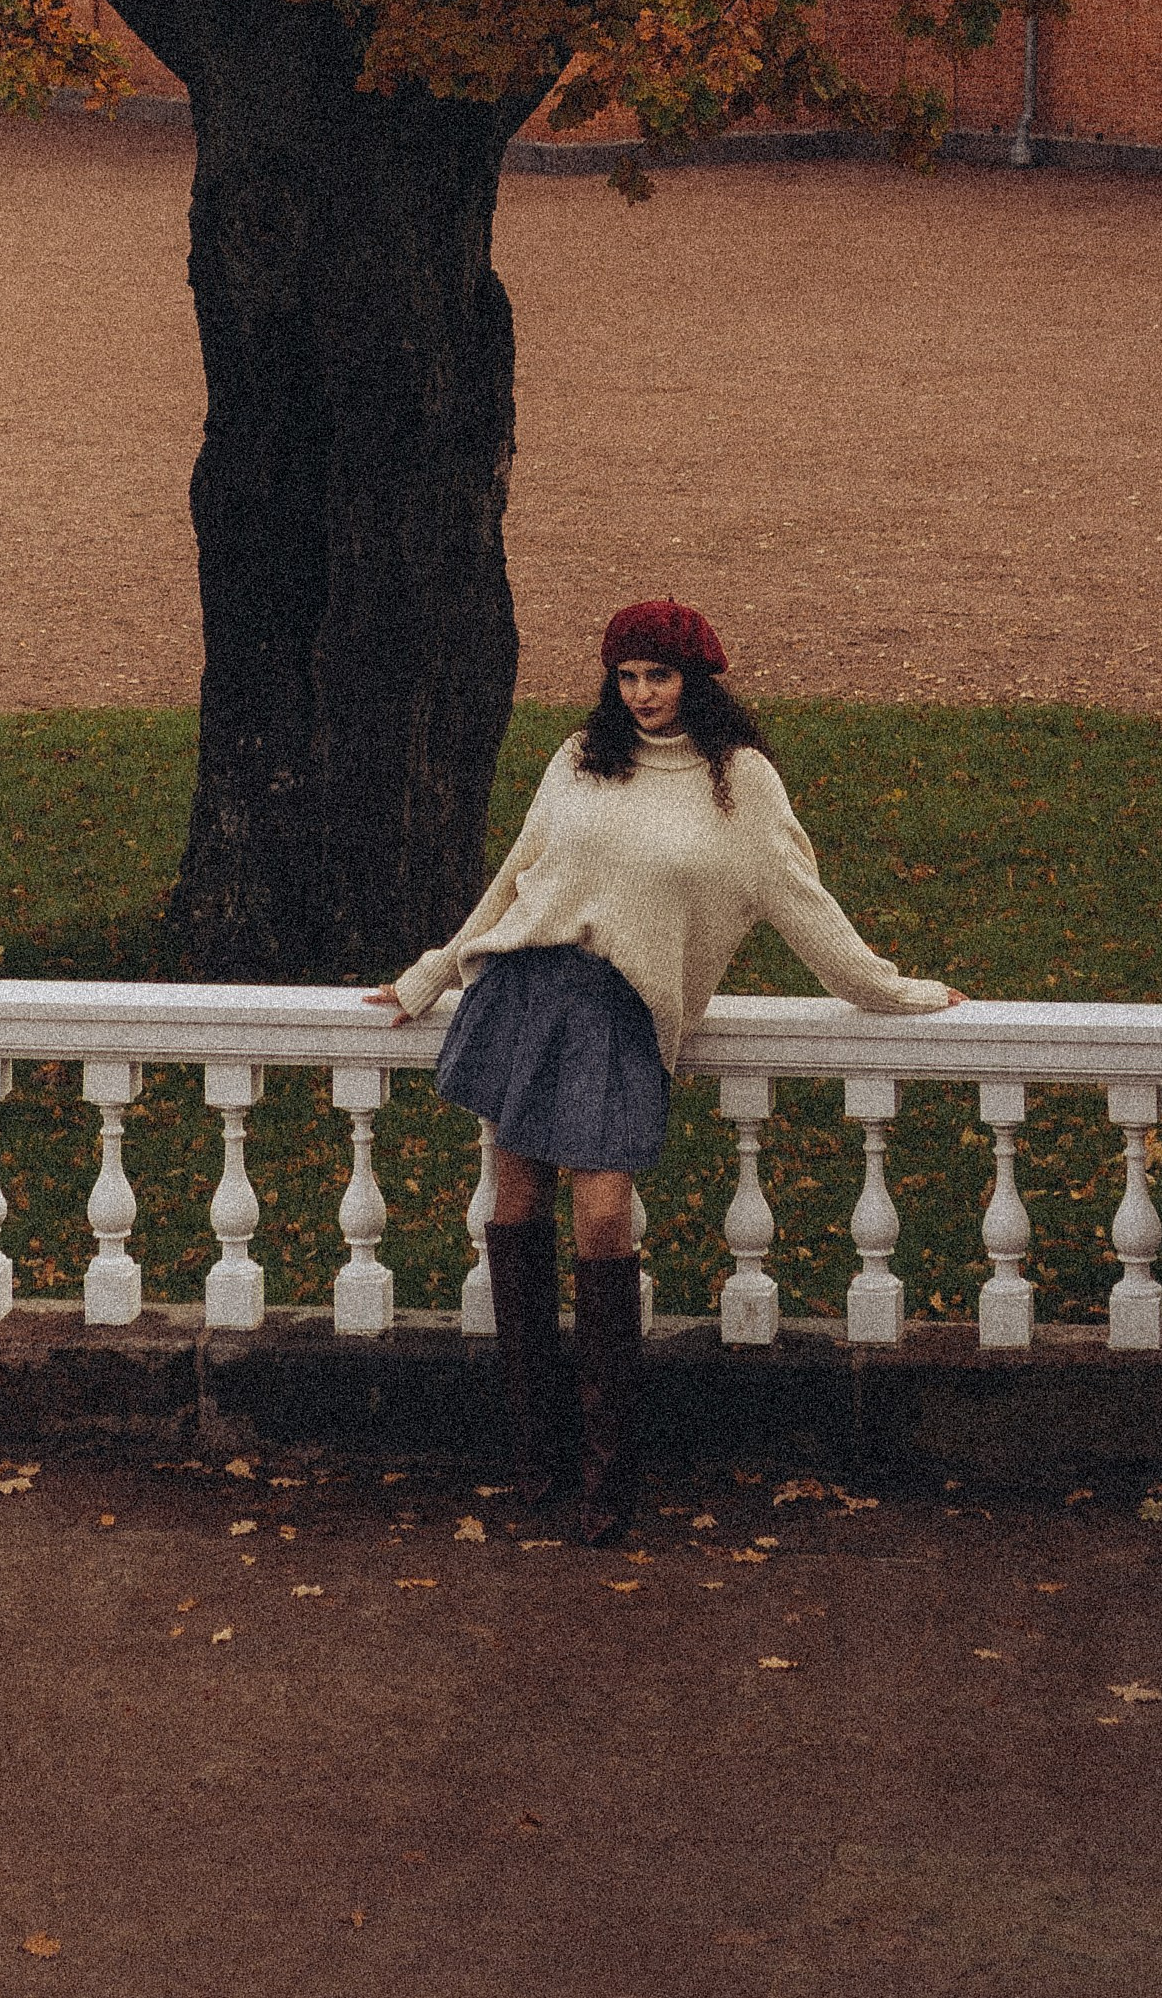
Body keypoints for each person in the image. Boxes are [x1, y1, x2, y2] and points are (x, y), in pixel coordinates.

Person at [370, 600, 963, 1545]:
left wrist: (894, 991)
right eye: (627, 677)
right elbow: (516, 875)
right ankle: (538, 1455)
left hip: (618, 1010)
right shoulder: (576, 758)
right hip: (525, 987)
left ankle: (609, 1471)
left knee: (603, 1216)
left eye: (659, 675)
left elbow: (801, 903)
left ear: (697, 678)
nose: (641, 694)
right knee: (513, 1205)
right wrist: (430, 972)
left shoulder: (741, 784)